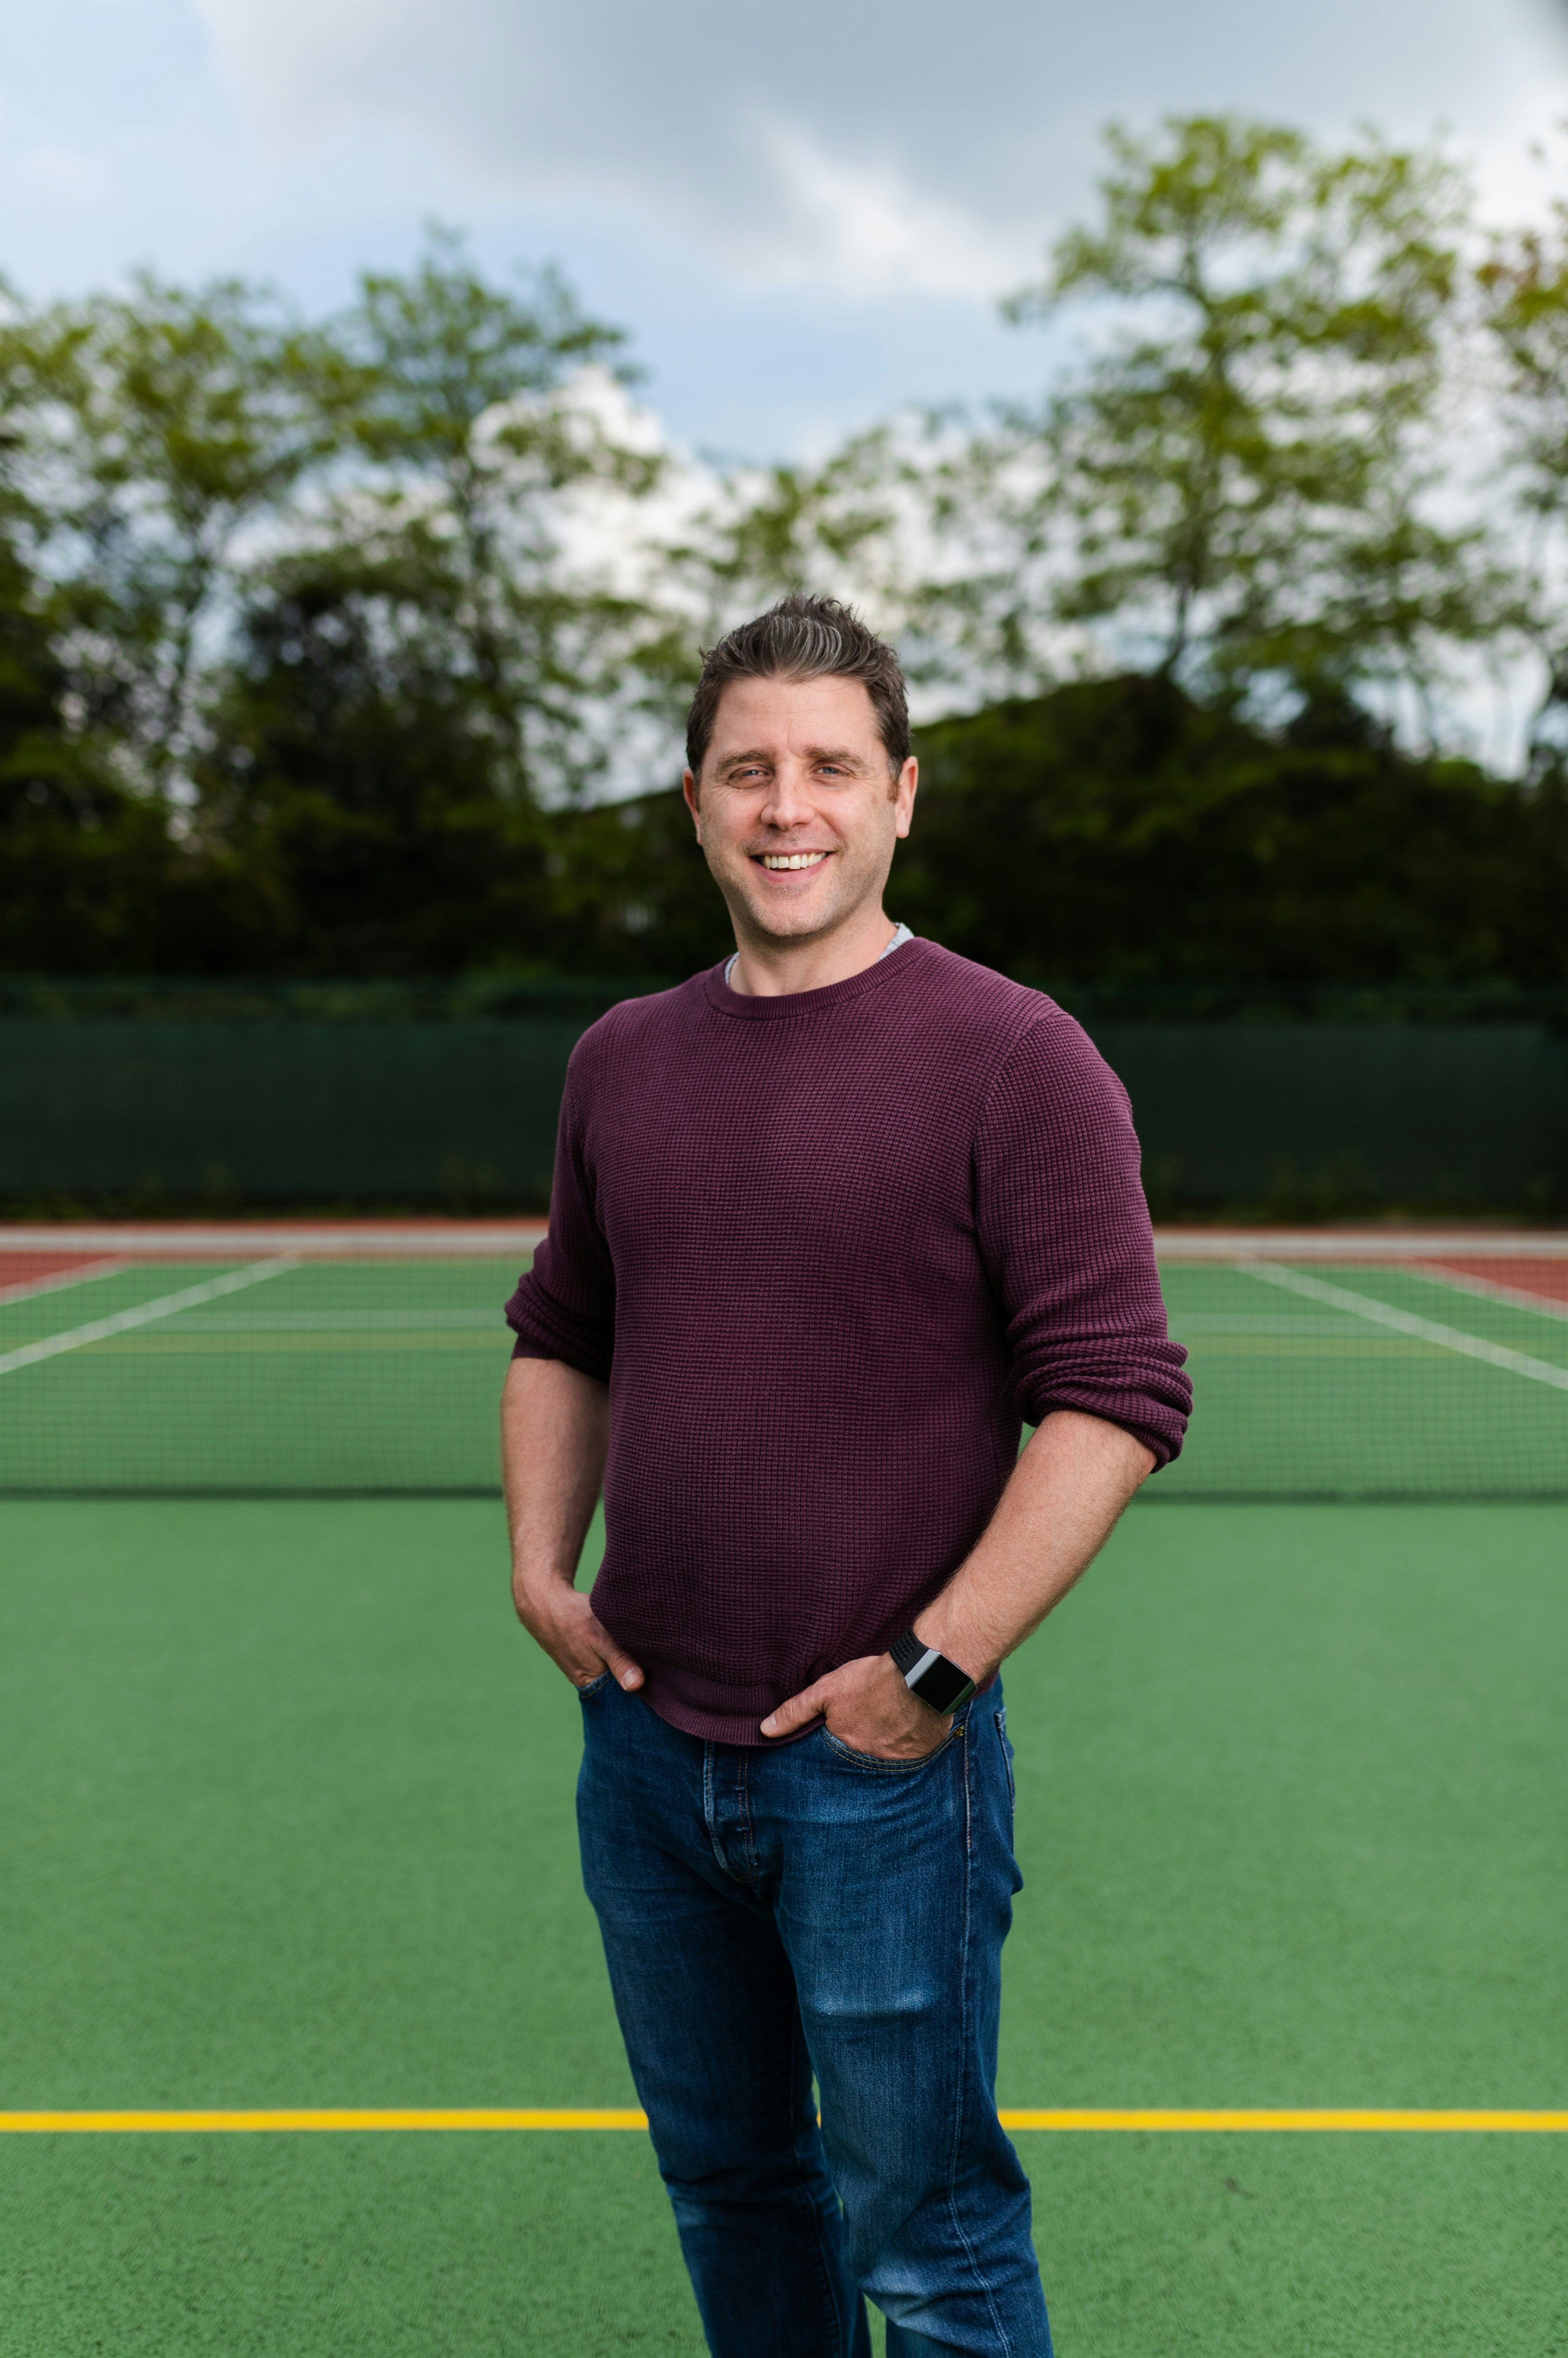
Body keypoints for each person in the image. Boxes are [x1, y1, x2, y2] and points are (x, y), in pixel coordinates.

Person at [502, 594, 1191, 2358]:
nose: (784, 805)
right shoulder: (621, 1060)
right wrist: (539, 1570)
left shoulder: (1014, 1057)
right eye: (747, 770)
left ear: (901, 795)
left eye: (826, 767)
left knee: (929, 2236)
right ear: (694, 804)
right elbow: (562, 1327)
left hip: (880, 1776)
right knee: (732, 2189)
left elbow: (1113, 1398)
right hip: (647, 1755)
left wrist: (930, 1676)